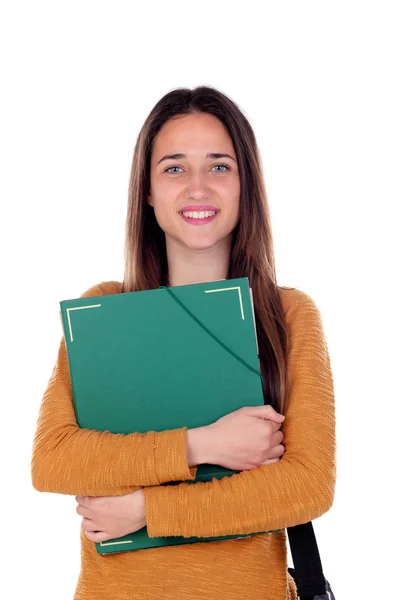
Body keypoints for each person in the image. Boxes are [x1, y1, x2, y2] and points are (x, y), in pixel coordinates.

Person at [31, 85, 336, 600]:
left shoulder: (288, 315)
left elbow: (307, 485)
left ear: (246, 186)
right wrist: (204, 444)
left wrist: (147, 510)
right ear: (147, 191)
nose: (198, 187)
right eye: (174, 168)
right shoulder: (102, 310)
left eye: (220, 167)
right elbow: (54, 460)